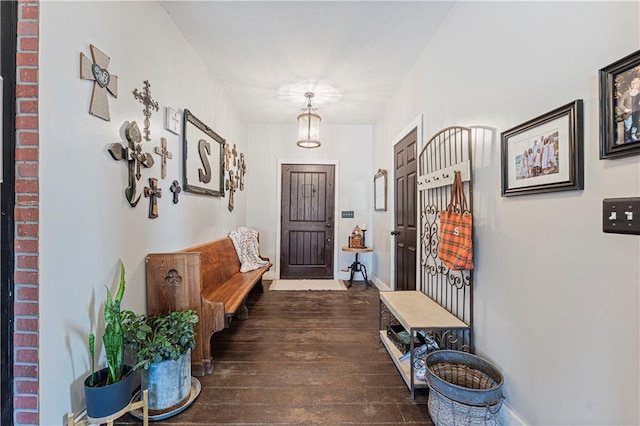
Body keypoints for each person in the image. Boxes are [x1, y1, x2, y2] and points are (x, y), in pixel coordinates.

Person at [618, 77, 640, 143]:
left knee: (634, 127)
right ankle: (628, 142)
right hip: (628, 115)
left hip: (636, 113)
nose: (633, 85)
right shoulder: (627, 93)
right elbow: (620, 104)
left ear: (638, 84)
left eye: (635, 83)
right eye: (632, 83)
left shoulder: (639, 93)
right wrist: (625, 109)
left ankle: (633, 140)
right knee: (628, 129)